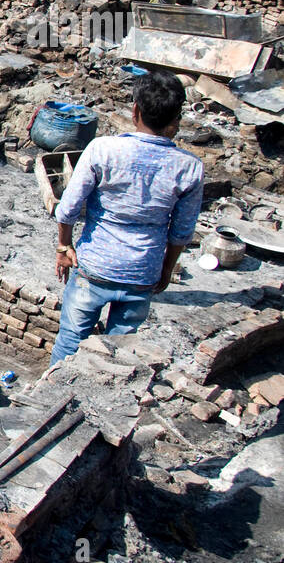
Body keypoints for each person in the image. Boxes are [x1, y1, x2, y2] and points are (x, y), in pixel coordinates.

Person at [50, 71, 203, 364]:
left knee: (70, 341)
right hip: (142, 273)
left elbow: (68, 207)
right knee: (117, 351)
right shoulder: (189, 168)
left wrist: (63, 247)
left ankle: (52, 397)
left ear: (135, 110)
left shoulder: (103, 149)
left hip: (94, 266)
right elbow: (181, 232)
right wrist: (166, 269)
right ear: (175, 120)